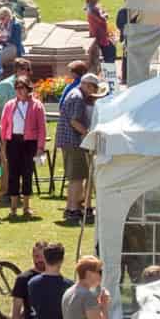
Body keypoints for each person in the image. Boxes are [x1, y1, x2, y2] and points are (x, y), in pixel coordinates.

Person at [0, 73, 45, 218]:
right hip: (13, 141)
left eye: (22, 88)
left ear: (28, 88)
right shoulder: (9, 105)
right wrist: (3, 144)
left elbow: (42, 128)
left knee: (27, 173)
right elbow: (4, 125)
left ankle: (26, 207)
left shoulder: (37, 105)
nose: (19, 90)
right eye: (17, 88)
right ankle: (13, 208)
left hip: (29, 142)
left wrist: (40, 148)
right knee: (12, 174)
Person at [57, 73, 98, 227]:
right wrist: (87, 134)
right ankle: (73, 209)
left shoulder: (73, 94)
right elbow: (74, 121)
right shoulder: (78, 98)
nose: (93, 91)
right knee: (77, 177)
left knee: (75, 176)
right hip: (73, 142)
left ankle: (70, 207)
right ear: (87, 85)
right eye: (92, 87)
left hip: (67, 141)